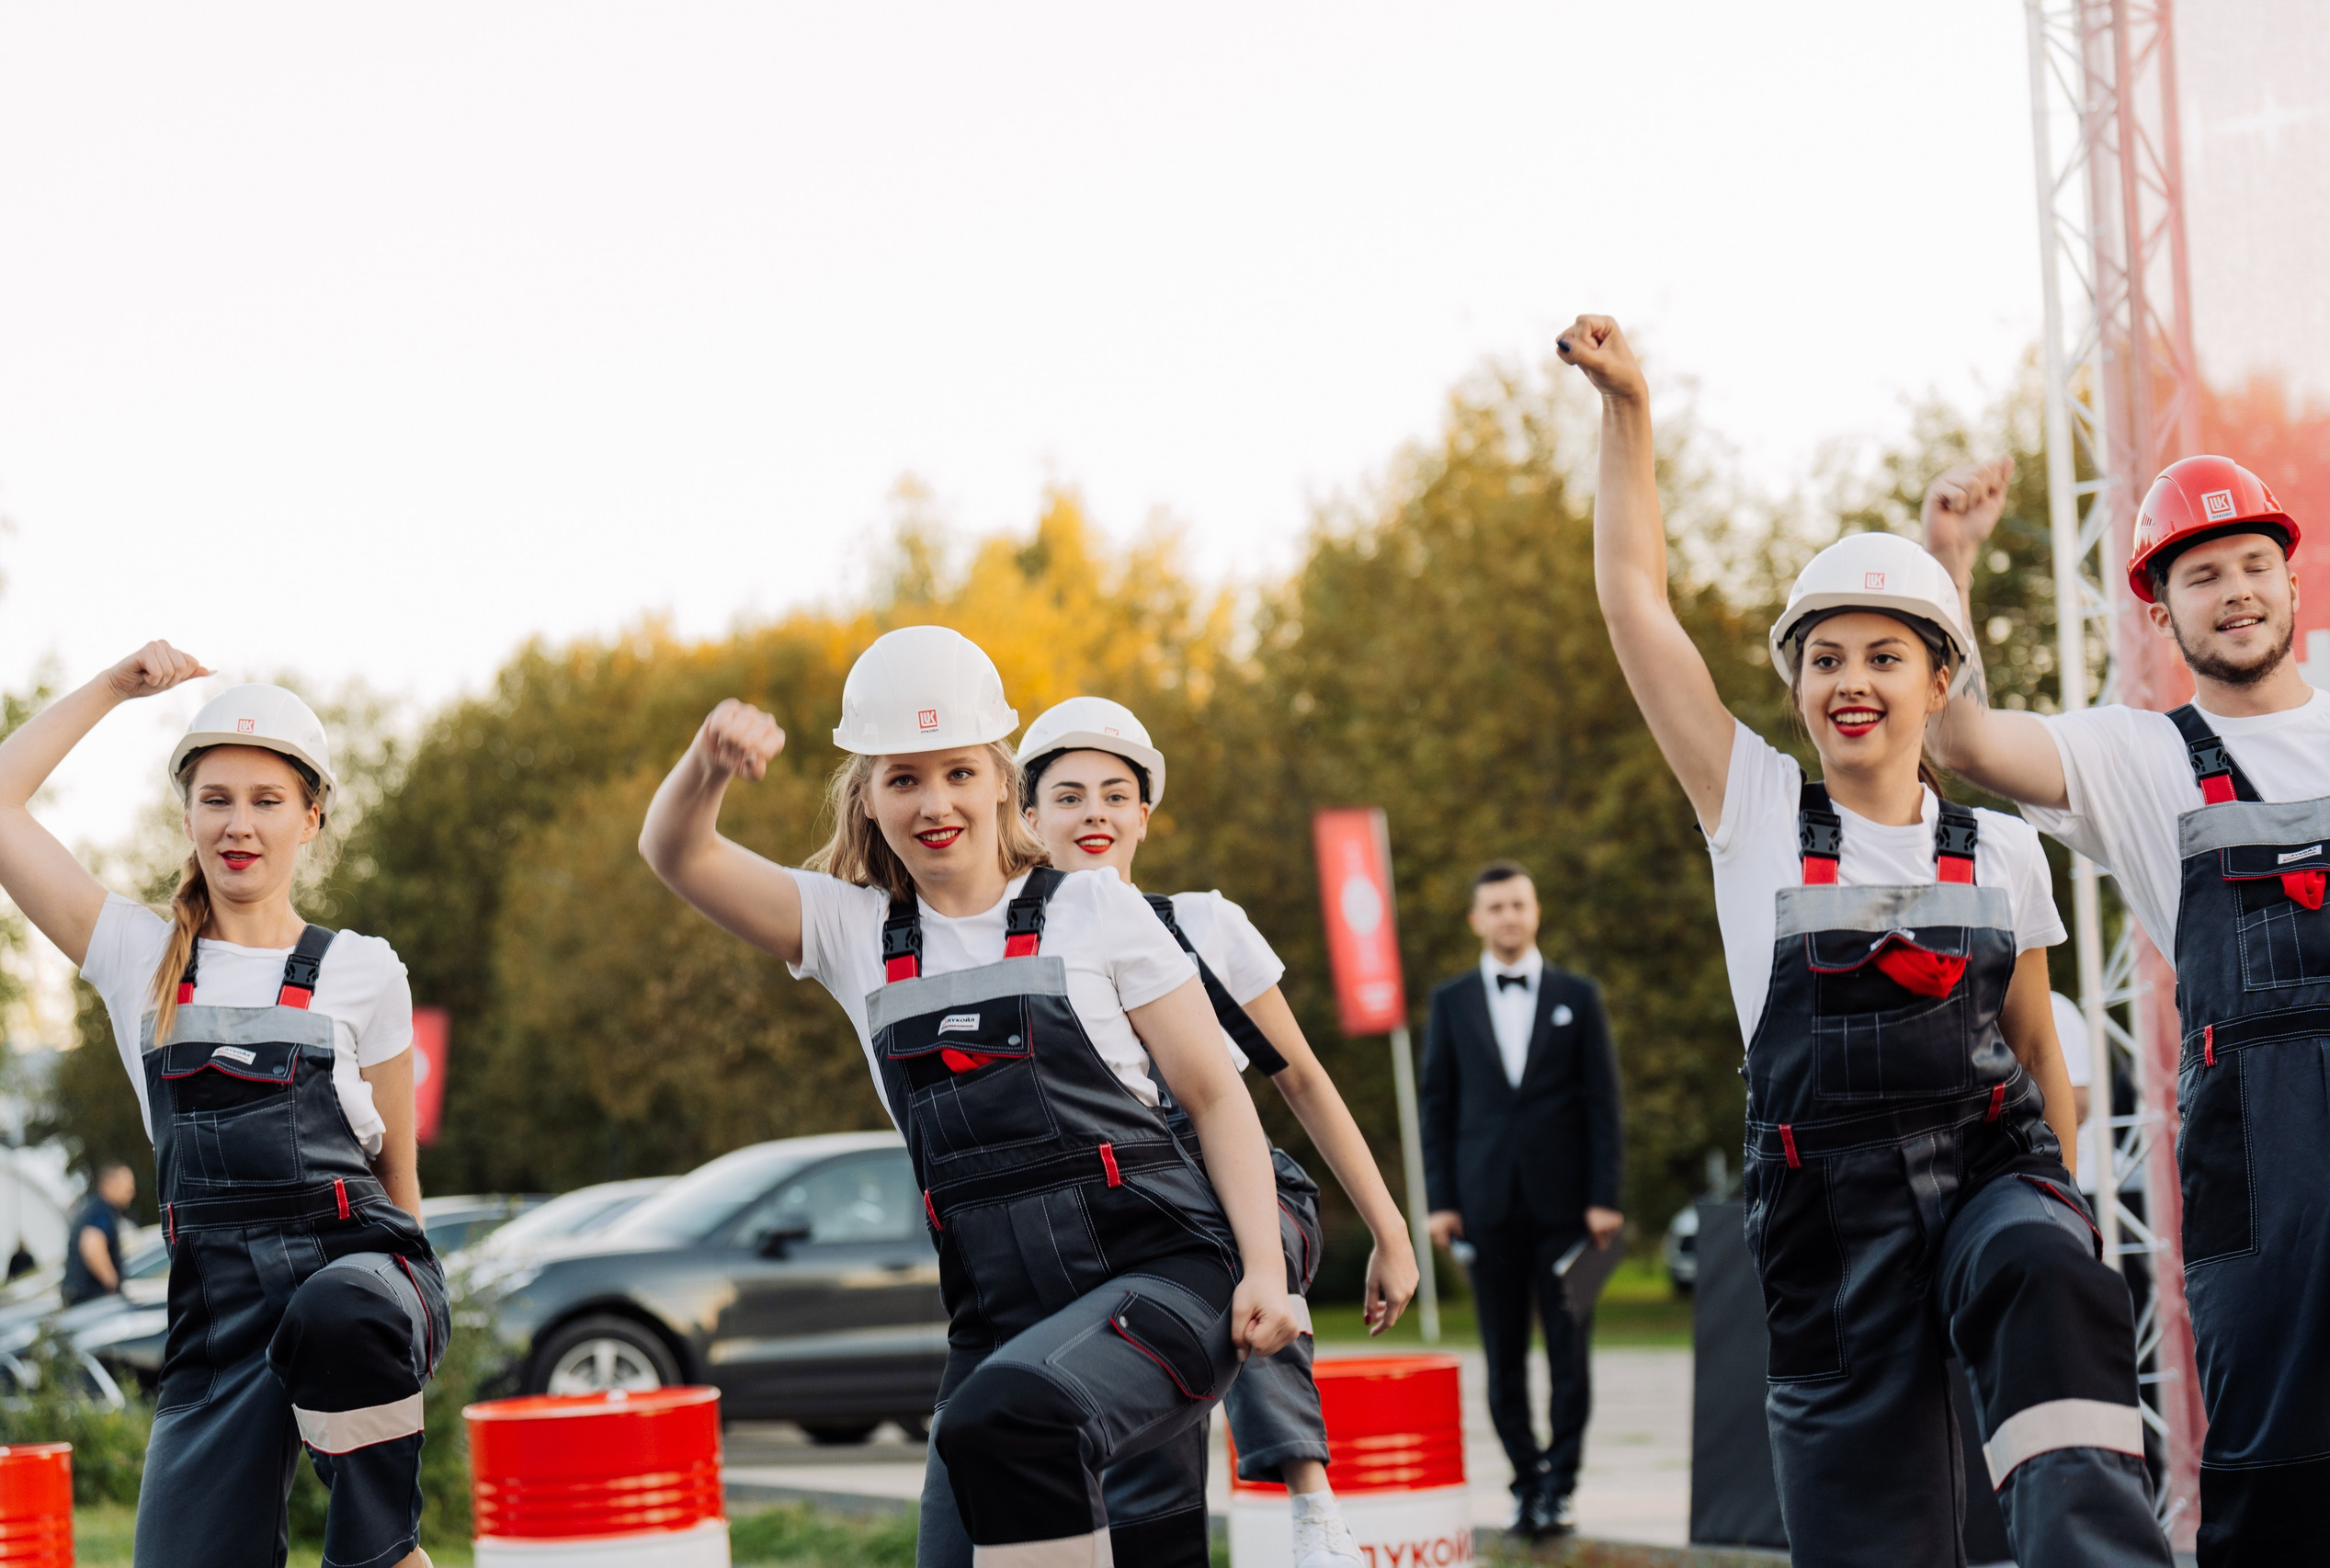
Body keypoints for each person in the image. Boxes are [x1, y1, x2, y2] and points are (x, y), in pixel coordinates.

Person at [1559, 314, 2170, 1568]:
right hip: (1828, 1229)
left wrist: (2067, 1209)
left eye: (1886, 654)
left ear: (1939, 680)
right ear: (1794, 689)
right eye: (1824, 655)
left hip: (1993, 1171)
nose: (1853, 677)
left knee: (2055, 1285)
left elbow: (2037, 1044)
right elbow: (1633, 600)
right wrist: (1629, 409)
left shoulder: (2002, 849)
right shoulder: (1757, 816)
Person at [638, 626, 1298, 1568]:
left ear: (999, 778)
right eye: (903, 777)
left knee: (1010, 1415)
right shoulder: (846, 929)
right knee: (975, 1496)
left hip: (1166, 1275)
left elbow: (1214, 1096)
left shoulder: (1096, 907)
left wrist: (1264, 1270)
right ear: (868, 794)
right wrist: (707, 761)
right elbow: (675, 851)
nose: (934, 801)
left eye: (956, 771)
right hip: (996, 1316)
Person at [1924, 450, 2330, 1563]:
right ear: (2160, 607)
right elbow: (1958, 742)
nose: (2236, 590)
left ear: (2293, 583)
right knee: (2279, 1475)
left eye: (2253, 563)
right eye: (2201, 575)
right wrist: (1949, 561)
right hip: (2263, 1173)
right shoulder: (2138, 756)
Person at [0, 646, 445, 1568]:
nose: (240, 823)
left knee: (337, 1310)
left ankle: (384, 1556)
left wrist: (406, 1321)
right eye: (217, 797)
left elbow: (400, 1181)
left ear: (312, 816)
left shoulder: (366, 969)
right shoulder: (134, 954)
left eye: (267, 799)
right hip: (215, 1315)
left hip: (355, 1274)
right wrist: (115, 689)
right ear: (189, 813)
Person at [1013, 695, 1420, 1568]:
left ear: (1145, 816)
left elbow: (1302, 1079)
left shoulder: (1200, 924)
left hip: (1240, 1192)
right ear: (1028, 816)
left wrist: (1391, 1232)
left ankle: (1315, 1516)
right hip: (1115, 1225)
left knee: (1238, 1261)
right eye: (1070, 795)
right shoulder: (1008, 949)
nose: (1095, 814)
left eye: (1116, 794)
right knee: (1147, 1497)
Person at [1419, 861, 1623, 1538]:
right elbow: (1437, 1107)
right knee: (1503, 1356)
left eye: (1518, 904)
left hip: (1568, 1209)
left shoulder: (1578, 996)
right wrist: (1441, 1201)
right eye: (1495, 907)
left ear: (1535, 912)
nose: (1508, 916)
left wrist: (1604, 1197)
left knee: (1570, 1356)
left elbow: (1603, 1103)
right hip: (1485, 1206)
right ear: (1477, 919)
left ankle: (1560, 1487)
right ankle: (1525, 1484)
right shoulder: (1450, 1002)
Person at [61, 1162, 137, 1308]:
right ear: (109, 1184)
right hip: (92, 1300)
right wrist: (112, 1284)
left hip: (81, 1299)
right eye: (128, 1184)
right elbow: (91, 1245)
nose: (132, 1190)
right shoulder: (102, 1211)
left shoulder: (94, 1207)